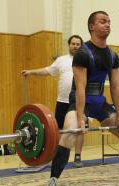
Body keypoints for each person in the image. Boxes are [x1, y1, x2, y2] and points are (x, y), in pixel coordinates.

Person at [47, 11, 119, 186]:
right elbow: (81, 88)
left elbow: (114, 88)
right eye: (102, 22)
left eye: (109, 22)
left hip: (99, 102)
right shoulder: (83, 53)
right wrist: (79, 119)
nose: (107, 25)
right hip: (80, 102)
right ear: (92, 26)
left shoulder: (112, 55)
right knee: (69, 134)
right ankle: (53, 179)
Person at [22, 35, 85, 168]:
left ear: (81, 45)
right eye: (73, 44)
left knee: (79, 129)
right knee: (60, 130)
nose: (75, 46)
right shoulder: (61, 60)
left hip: (79, 101)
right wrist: (31, 72)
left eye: (78, 44)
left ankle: (78, 156)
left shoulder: (86, 60)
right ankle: (59, 156)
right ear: (69, 45)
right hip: (62, 101)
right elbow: (46, 71)